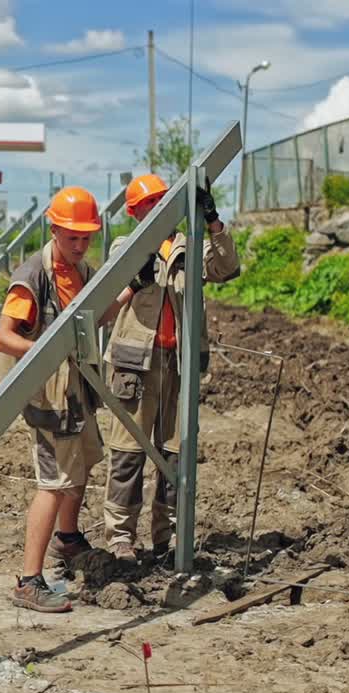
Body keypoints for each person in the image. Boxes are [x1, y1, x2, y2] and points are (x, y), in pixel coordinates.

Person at [0, 186, 128, 613]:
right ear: (54, 230)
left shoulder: (82, 271)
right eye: (73, 237)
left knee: (84, 462)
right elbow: (3, 337)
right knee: (53, 484)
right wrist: (47, 352)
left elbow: (96, 319)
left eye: (87, 237)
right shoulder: (33, 275)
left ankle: (67, 540)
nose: (80, 244)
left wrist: (125, 292)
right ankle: (29, 581)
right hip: (47, 396)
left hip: (73, 391)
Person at [101, 174, 239, 563]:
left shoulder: (190, 245)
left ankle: (168, 536)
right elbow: (110, 295)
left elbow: (226, 268)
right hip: (135, 365)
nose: (159, 208)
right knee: (128, 453)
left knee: (174, 453)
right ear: (134, 212)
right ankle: (120, 537)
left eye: (164, 200)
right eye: (151, 203)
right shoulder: (125, 247)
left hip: (179, 364)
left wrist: (212, 221)